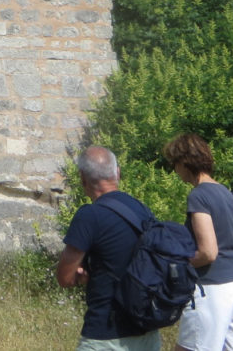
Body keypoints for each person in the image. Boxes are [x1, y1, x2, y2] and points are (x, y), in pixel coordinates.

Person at [57, 146, 162, 351]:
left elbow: (65, 277)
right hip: (147, 331)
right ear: (118, 173)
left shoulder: (89, 215)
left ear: (82, 179)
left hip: (106, 334)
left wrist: (84, 275)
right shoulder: (141, 209)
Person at [162, 133, 233, 351]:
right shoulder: (226, 193)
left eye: (175, 164)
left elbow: (208, 252)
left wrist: (177, 265)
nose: (175, 170)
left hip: (213, 289)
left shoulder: (198, 196)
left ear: (185, 162)